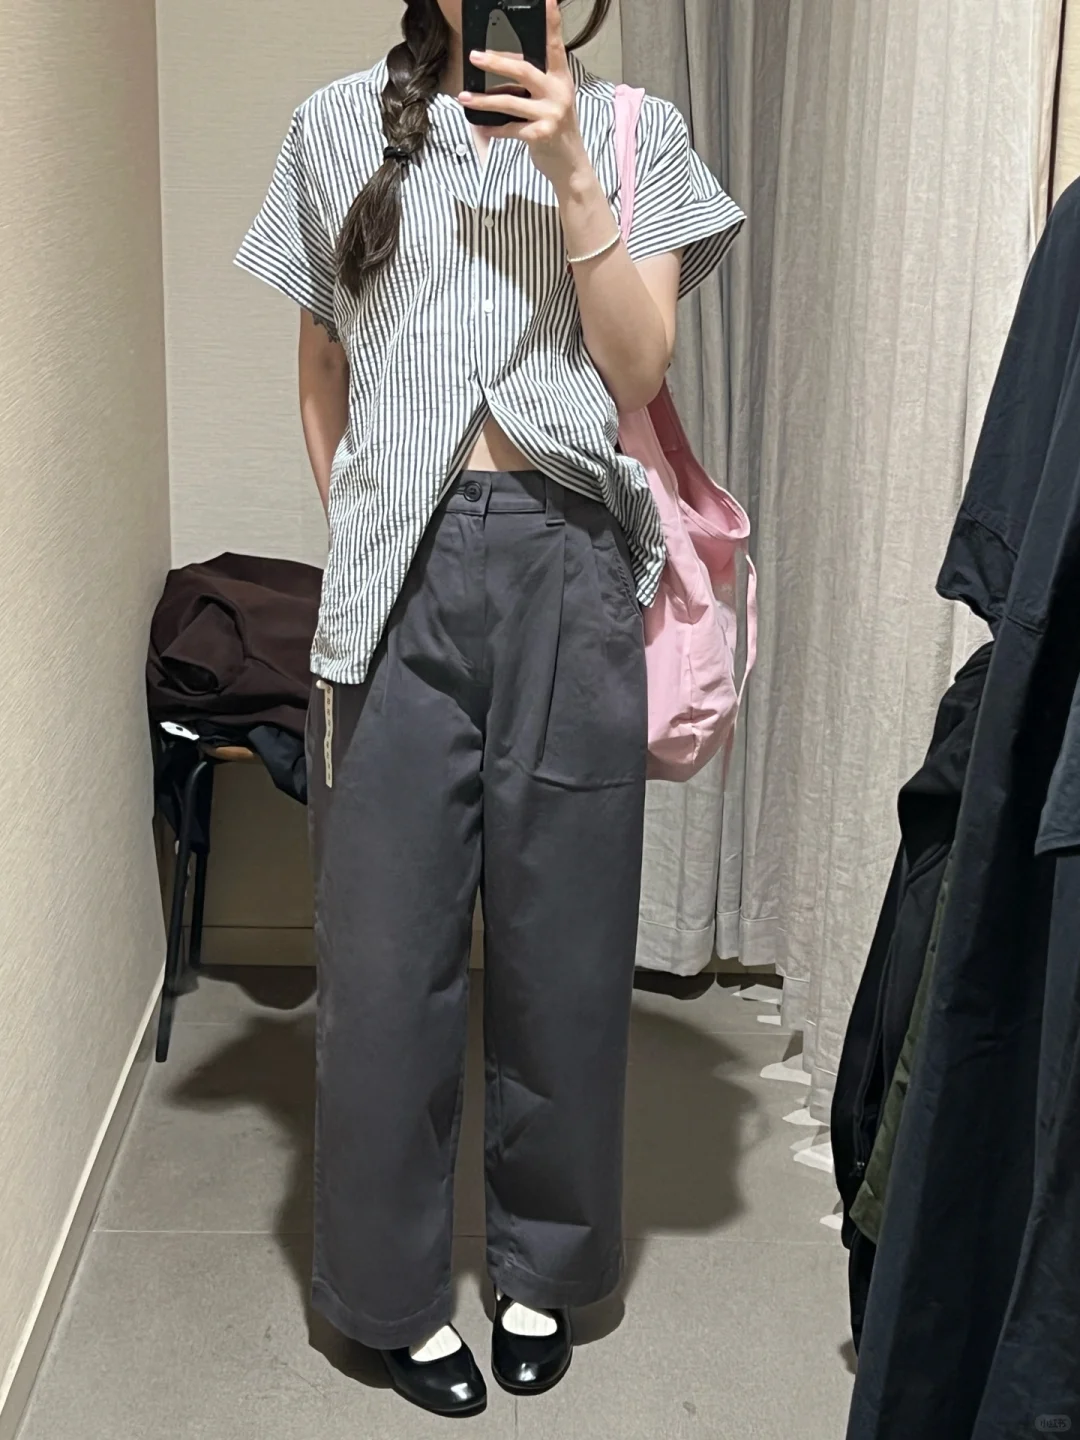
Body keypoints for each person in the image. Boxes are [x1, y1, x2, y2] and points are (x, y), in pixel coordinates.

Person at [236, 0, 742, 1418]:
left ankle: (541, 1271)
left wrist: (572, 167)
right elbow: (321, 373)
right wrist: (364, 523)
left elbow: (638, 368)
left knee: (564, 950)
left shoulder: (637, 134)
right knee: (384, 963)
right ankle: (389, 1296)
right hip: (395, 577)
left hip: (570, 566)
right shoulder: (335, 126)